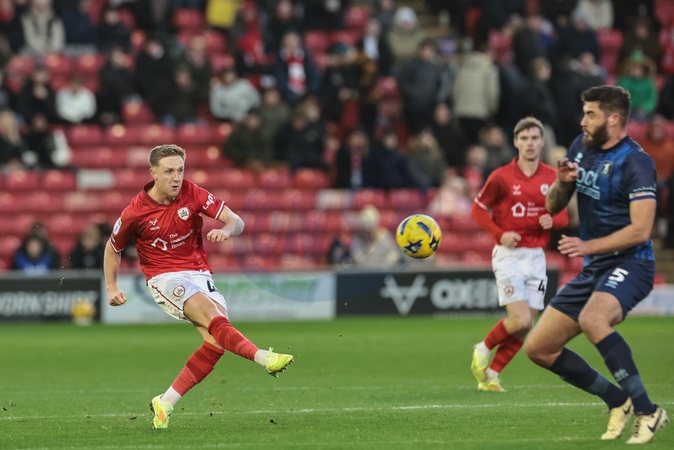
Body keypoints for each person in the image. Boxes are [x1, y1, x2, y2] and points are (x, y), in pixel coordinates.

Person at [103, 144, 294, 430]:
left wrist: (226, 230)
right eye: (169, 171)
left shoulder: (191, 192)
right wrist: (111, 287)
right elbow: (113, 247)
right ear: (153, 173)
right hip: (165, 277)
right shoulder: (135, 211)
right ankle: (264, 358)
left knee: (216, 342)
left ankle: (165, 402)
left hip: (199, 273)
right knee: (212, 316)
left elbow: (236, 221)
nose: (176, 178)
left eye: (180, 170)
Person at [524, 85, 668, 444]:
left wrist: (587, 245)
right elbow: (554, 205)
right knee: (539, 348)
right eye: (584, 113)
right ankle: (617, 401)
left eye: (591, 114)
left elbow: (641, 230)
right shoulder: (580, 147)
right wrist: (561, 184)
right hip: (595, 268)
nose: (583, 121)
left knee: (593, 319)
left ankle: (648, 411)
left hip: (632, 264)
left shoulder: (636, 162)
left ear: (614, 118)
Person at [470, 116, 569, 392]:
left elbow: (563, 215)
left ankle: (491, 375)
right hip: (509, 255)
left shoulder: (552, 177)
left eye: (535, 138)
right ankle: (482, 347)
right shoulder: (501, 176)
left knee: (526, 326)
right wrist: (499, 234)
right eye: (524, 138)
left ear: (542, 141)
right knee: (520, 320)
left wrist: (553, 220)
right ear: (515, 142)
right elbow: (478, 210)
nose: (530, 143)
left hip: (536, 256)